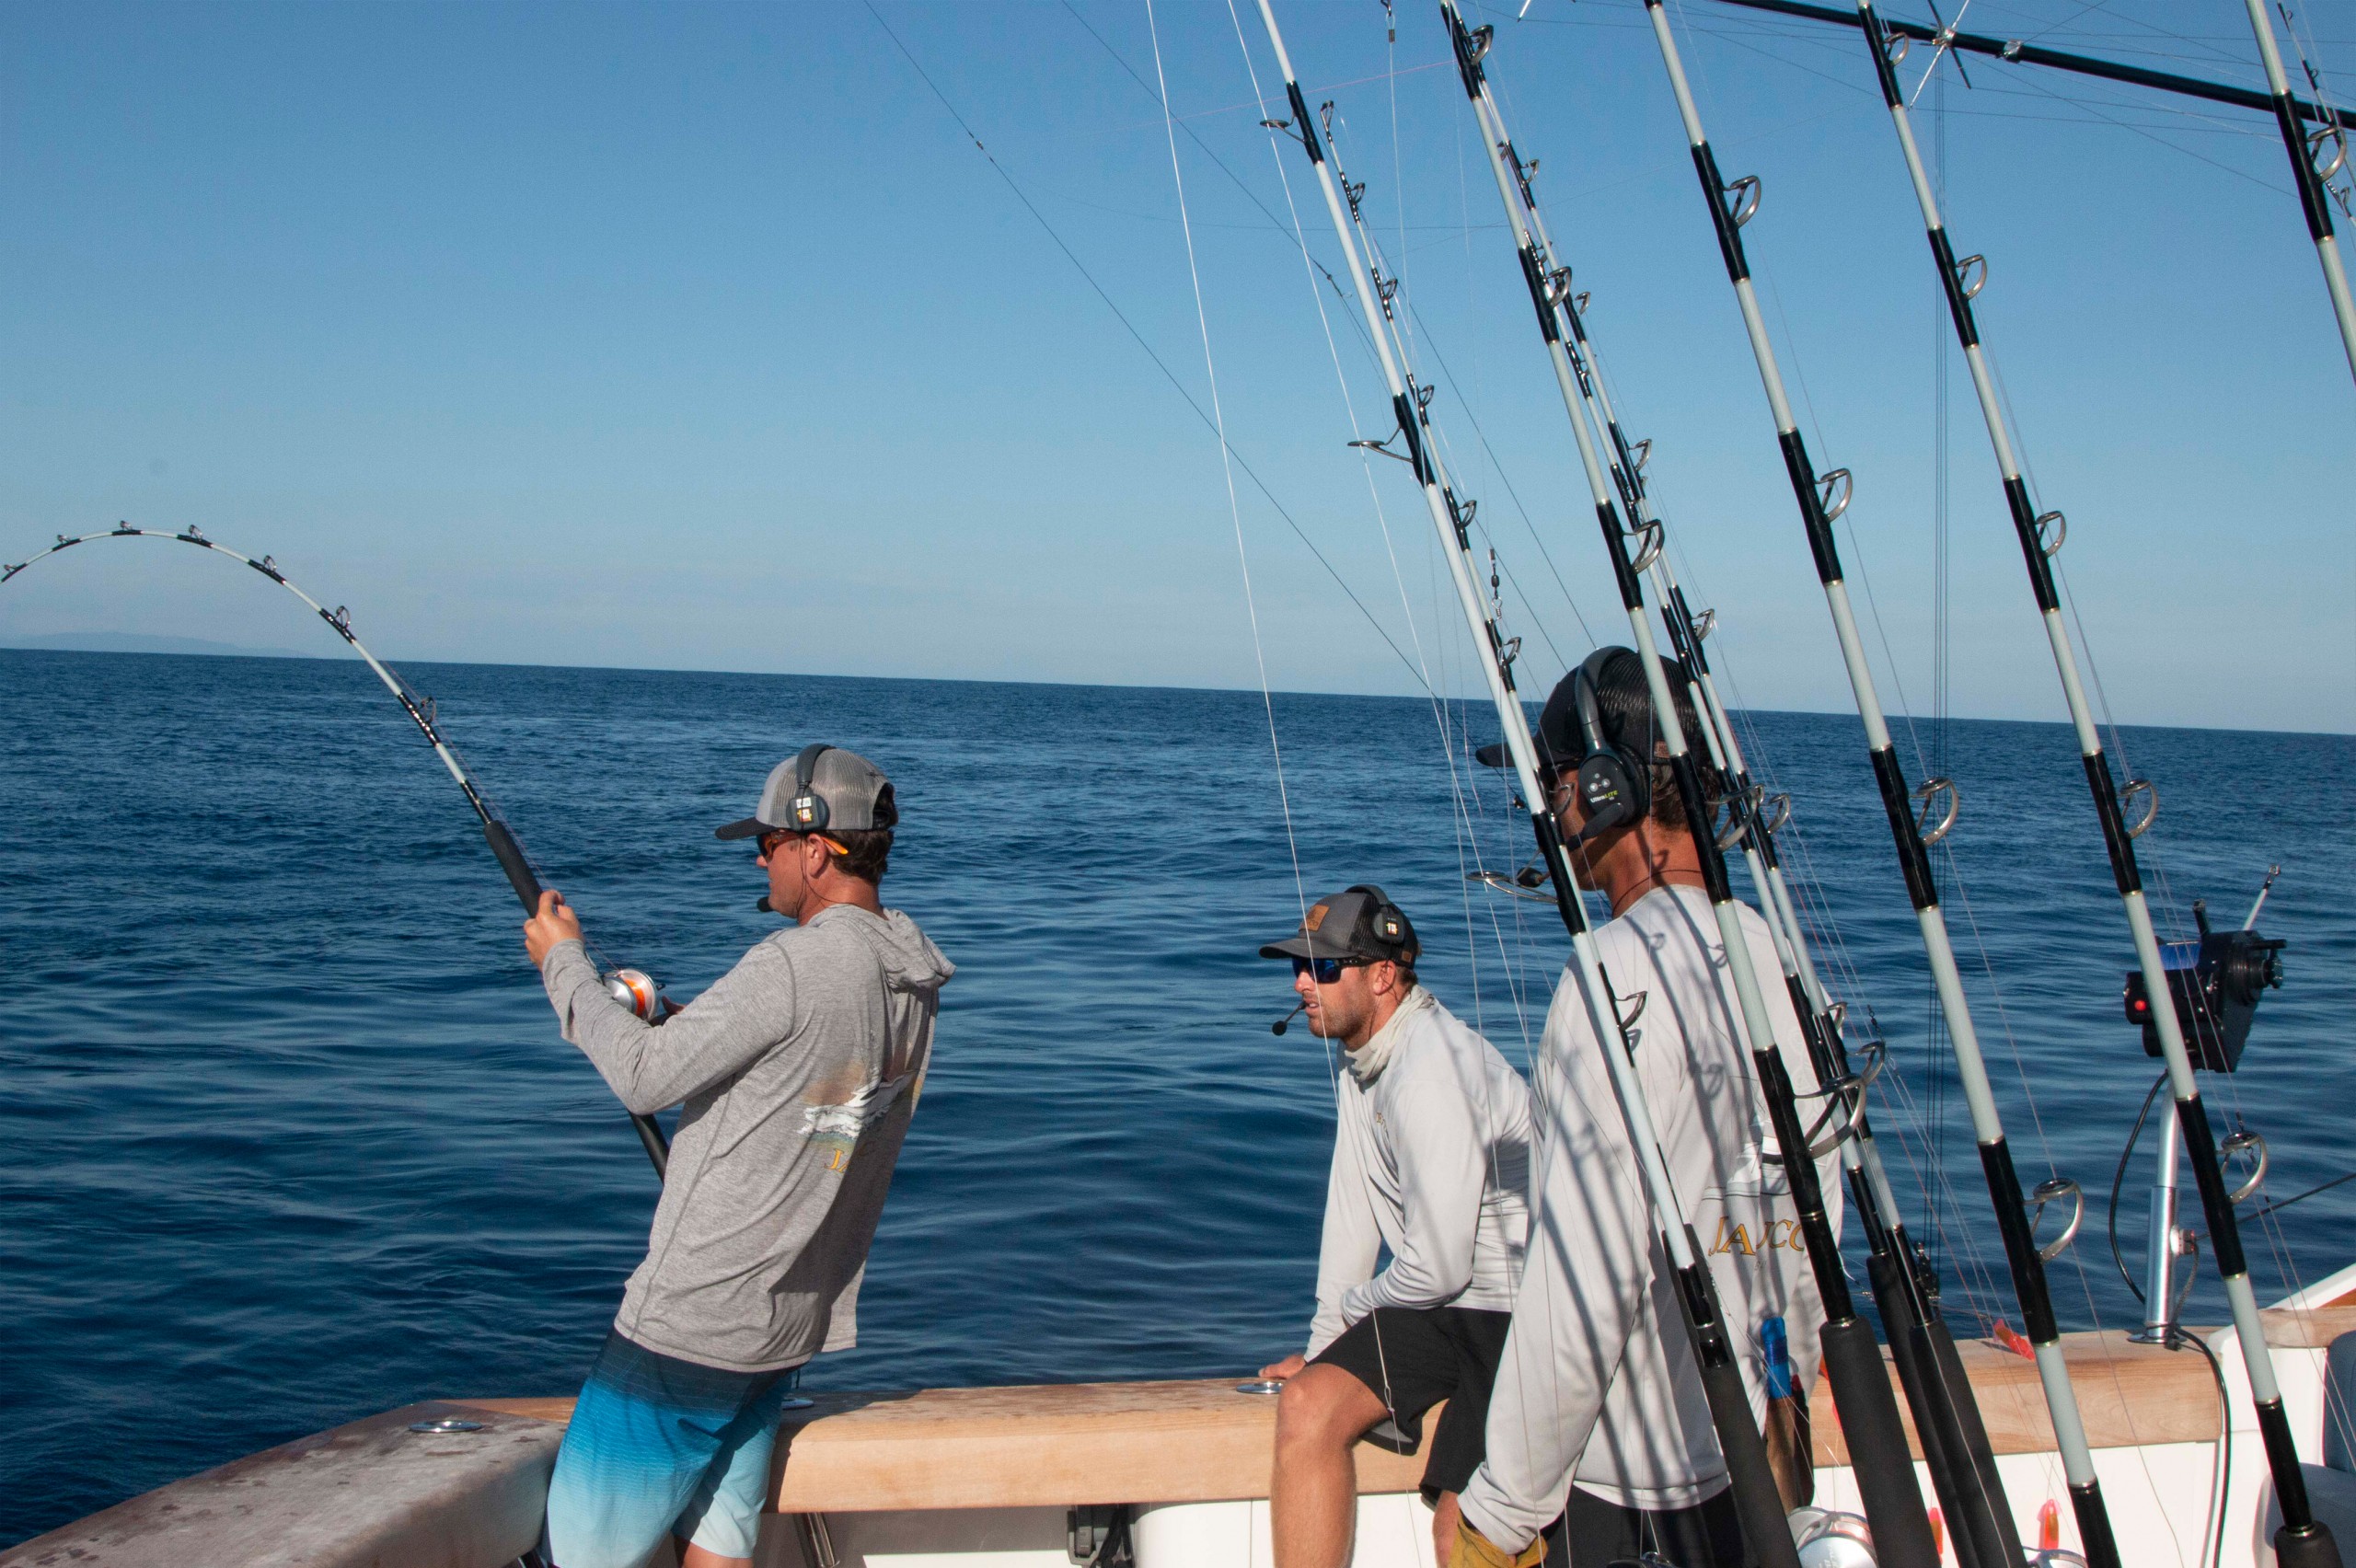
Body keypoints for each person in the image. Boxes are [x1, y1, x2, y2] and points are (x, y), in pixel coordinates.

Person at [520, 744, 953, 1568]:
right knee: (717, 1553)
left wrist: (563, 964)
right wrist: (675, 1018)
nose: (759, 858)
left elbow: (643, 1078)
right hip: (782, 1332)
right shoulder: (910, 976)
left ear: (816, 850)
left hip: (692, 1328)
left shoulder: (794, 962)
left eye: (768, 842)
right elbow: (813, 1076)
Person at [1449, 650, 1838, 1568]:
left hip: (1625, 1497)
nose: (1550, 814)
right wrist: (1785, 1406)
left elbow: (1584, 1281)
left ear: (1604, 786)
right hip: (1752, 1470)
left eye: (1556, 784)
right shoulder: (1780, 962)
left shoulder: (1608, 976)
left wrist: (1499, 1516)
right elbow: (1809, 1226)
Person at [1253, 885, 1536, 1568]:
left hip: (1517, 1317)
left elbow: (1438, 1268)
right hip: (1444, 1311)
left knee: (1460, 1527)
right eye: (1299, 966)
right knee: (1307, 1405)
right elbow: (1351, 1220)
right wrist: (1325, 1349)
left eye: (1323, 968)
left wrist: (1356, 1309)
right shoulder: (1362, 1064)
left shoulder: (1431, 1073)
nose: (1301, 983)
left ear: (1383, 976)